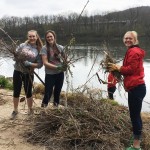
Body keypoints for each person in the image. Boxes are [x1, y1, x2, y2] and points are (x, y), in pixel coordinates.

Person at [108, 31, 146, 150]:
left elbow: (131, 70)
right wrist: (119, 69)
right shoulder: (133, 50)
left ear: (135, 40)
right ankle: (137, 137)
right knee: (136, 115)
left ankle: (136, 146)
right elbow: (131, 69)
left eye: (130, 38)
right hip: (136, 87)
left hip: (136, 88)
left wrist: (118, 67)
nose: (127, 40)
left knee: (134, 116)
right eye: (126, 38)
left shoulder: (133, 51)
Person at [11, 30, 43, 119]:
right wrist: (18, 58)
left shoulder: (39, 49)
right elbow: (14, 56)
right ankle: (15, 110)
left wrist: (29, 64)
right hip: (17, 71)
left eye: (33, 36)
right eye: (30, 36)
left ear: (36, 37)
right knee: (16, 91)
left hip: (29, 73)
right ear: (27, 37)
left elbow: (40, 64)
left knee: (28, 92)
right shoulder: (22, 45)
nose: (32, 38)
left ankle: (30, 110)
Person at [40, 30, 67, 108]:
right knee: (48, 92)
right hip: (50, 74)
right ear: (46, 38)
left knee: (57, 91)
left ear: (54, 37)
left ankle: (55, 107)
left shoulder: (60, 47)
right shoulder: (44, 49)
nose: (49, 38)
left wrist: (65, 65)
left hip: (60, 74)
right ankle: (44, 107)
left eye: (51, 36)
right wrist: (58, 67)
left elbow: (65, 59)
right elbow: (45, 63)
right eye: (47, 37)